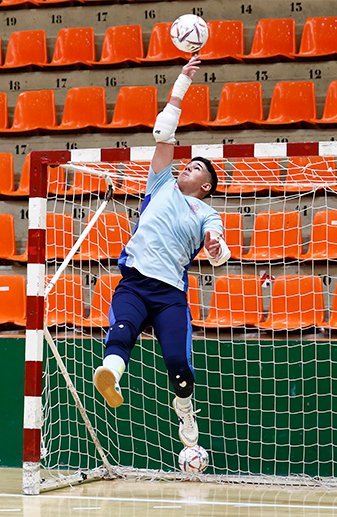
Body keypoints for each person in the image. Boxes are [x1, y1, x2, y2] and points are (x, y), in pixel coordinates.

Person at [92, 56, 230, 448]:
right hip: (134, 283)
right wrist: (181, 84)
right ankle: (111, 376)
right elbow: (164, 134)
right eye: (188, 164)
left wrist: (215, 247)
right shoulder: (160, 183)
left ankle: (184, 409)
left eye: (196, 168)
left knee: (177, 365)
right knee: (121, 332)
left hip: (170, 294)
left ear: (206, 186)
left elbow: (219, 249)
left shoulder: (206, 212)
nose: (188, 167)